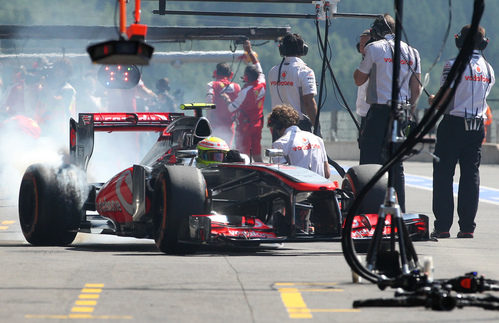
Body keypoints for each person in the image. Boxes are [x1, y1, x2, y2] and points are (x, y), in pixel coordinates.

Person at [429, 24, 495, 239]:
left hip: (453, 124)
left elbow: (445, 96)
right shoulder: (489, 69)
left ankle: (443, 227)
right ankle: (467, 227)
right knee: (470, 176)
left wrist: (433, 101)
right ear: (483, 43)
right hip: (476, 126)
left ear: (460, 41)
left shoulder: (453, 64)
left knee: (443, 176)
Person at [353, 14, 422, 212]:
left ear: (377, 32)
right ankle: (399, 210)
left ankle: (366, 210)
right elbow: (415, 89)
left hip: (378, 112)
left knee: (369, 163)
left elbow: (359, 79)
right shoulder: (412, 52)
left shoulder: (373, 48)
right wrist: (409, 115)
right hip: (401, 112)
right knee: (396, 164)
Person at [222, 40, 266, 162]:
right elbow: (257, 65)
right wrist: (249, 51)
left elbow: (231, 108)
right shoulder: (262, 82)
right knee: (257, 153)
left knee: (243, 153)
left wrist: (226, 99)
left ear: (246, 77)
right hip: (258, 124)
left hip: (245, 126)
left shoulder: (245, 92)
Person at [267, 32, 318, 132]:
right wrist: (317, 126)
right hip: (299, 125)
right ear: (303, 49)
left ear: (282, 49)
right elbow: (309, 103)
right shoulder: (305, 71)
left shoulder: (272, 71)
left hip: (278, 126)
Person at [266, 104, 330, 179]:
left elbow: (281, 176)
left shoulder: (279, 144)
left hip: (299, 189)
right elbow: (327, 173)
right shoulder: (317, 139)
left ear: (277, 127)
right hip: (320, 188)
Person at [206, 62, 241, 146]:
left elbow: (209, 103)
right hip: (230, 126)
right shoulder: (237, 86)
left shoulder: (212, 85)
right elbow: (239, 107)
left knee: (214, 150)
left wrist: (207, 122)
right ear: (231, 74)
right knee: (227, 149)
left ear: (215, 73)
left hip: (214, 125)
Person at [355, 29, 373, 134]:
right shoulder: (363, 63)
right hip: (364, 114)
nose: (362, 47)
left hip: (372, 113)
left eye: (365, 44)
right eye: (361, 44)